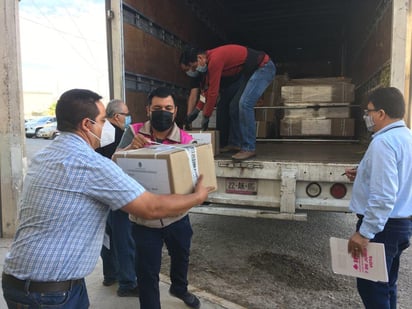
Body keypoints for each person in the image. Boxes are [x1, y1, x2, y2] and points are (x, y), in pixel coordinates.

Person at [1, 88, 212, 309]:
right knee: (145, 268)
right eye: (103, 120)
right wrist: (198, 197)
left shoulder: (45, 155)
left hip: (18, 281)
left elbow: (103, 175)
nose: (107, 126)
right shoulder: (90, 162)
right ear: (86, 124)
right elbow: (151, 207)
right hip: (53, 292)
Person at [117, 87, 200, 309]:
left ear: (175, 111)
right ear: (148, 110)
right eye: (157, 108)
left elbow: (194, 176)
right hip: (144, 219)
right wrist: (128, 149)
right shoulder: (133, 132)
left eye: (167, 108)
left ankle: (179, 288)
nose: (162, 112)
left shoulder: (186, 139)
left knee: (181, 257)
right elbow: (113, 165)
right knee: (146, 272)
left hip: (177, 216)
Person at [344, 87, 412, 309]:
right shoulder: (406, 137)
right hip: (400, 224)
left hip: (383, 228)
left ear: (381, 113)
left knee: (372, 288)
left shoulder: (383, 142)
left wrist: (365, 233)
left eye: (369, 112)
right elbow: (399, 176)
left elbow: (383, 195)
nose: (367, 117)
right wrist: (364, 169)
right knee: (387, 285)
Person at [180, 44, 276, 160]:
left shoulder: (215, 60)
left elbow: (213, 93)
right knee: (234, 106)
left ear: (200, 58)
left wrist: (206, 115)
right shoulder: (209, 64)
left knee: (245, 104)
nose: (194, 71)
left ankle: (249, 147)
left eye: (193, 67)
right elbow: (206, 91)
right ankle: (235, 143)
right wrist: (196, 111)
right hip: (250, 73)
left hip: (263, 68)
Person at [95, 99, 139, 297]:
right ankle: (127, 283)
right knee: (124, 239)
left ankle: (110, 274)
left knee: (107, 238)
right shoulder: (120, 135)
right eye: (126, 114)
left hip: (101, 195)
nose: (128, 118)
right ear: (116, 116)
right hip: (117, 195)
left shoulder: (101, 132)